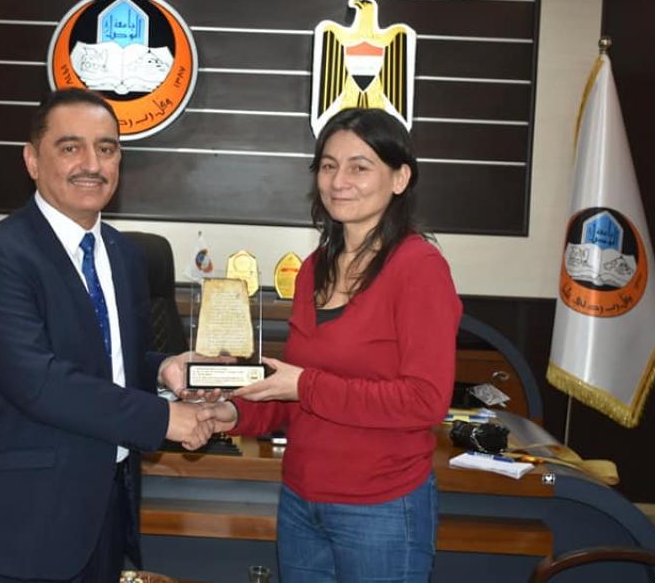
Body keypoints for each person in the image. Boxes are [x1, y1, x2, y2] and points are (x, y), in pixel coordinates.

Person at [0, 87, 212, 583]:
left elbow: (109, 360)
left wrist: (163, 367)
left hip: (101, 519)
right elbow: (38, 381)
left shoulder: (125, 256)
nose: (92, 164)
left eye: (106, 148)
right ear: (32, 160)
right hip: (16, 529)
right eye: (70, 147)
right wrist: (164, 417)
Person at [198, 107, 462, 582]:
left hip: (381, 508)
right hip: (300, 502)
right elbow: (292, 392)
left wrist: (305, 385)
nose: (339, 181)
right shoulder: (312, 269)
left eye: (360, 167)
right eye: (328, 165)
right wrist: (232, 415)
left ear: (400, 178)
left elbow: (425, 401)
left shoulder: (419, 268)